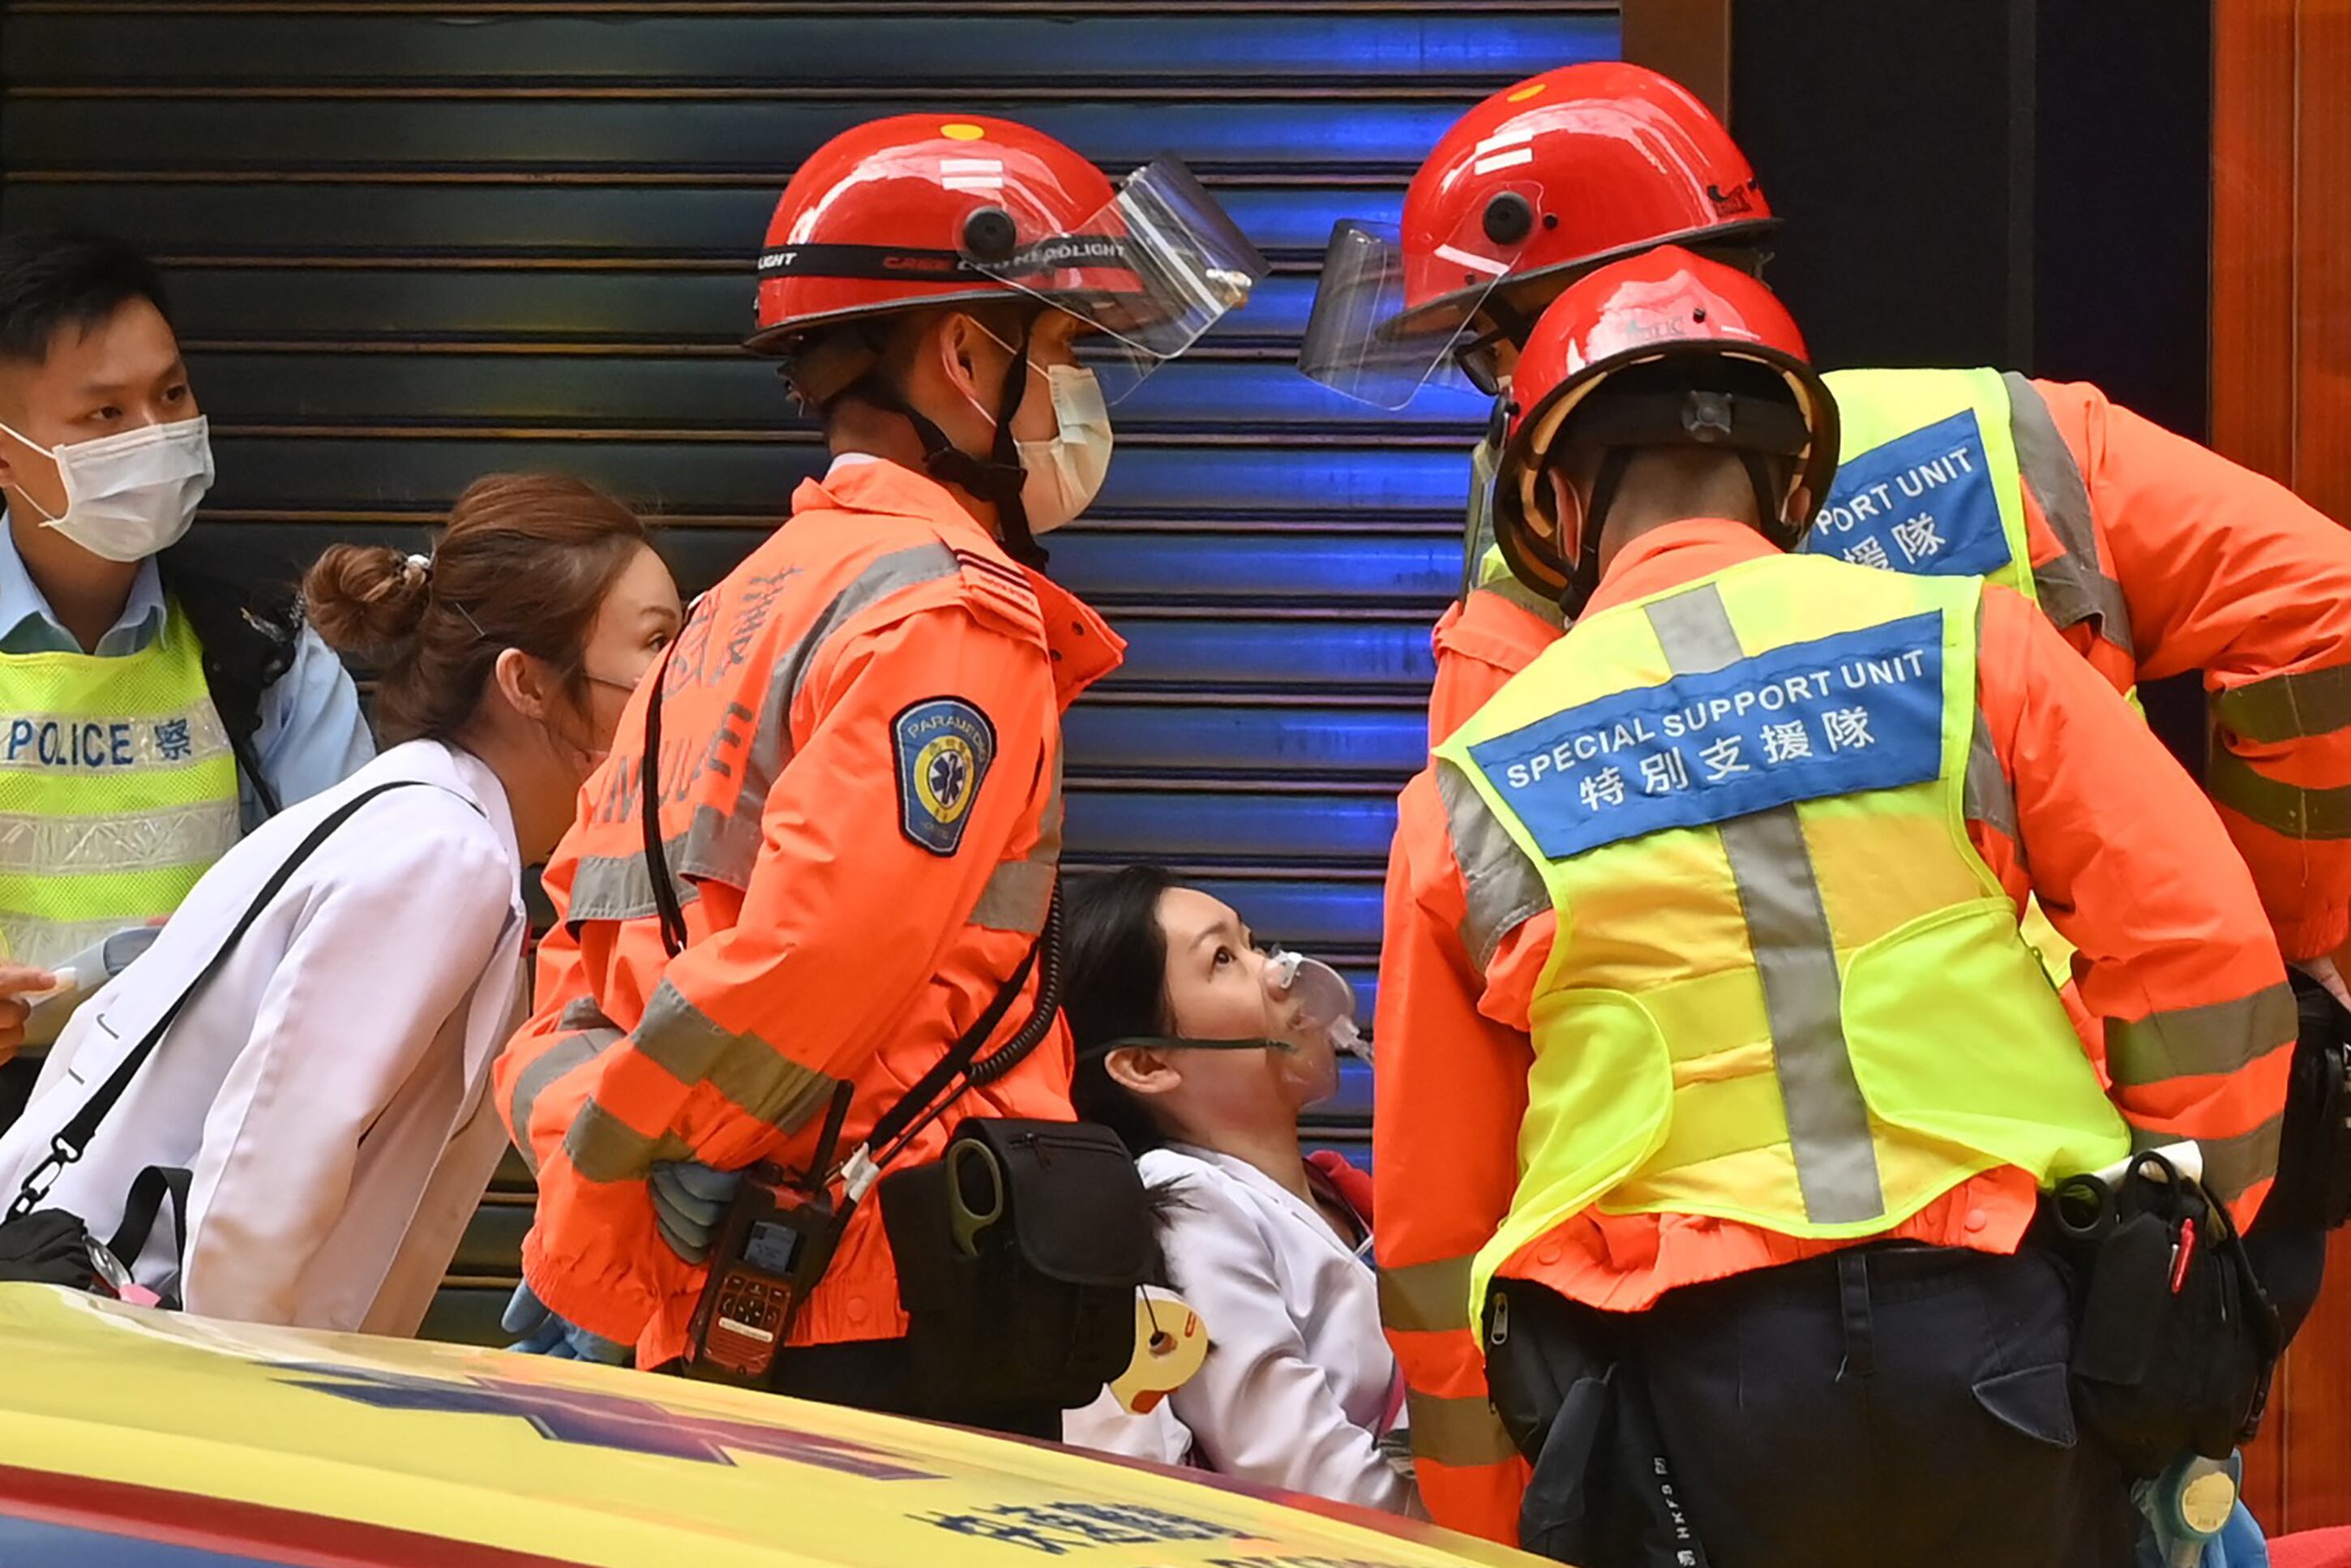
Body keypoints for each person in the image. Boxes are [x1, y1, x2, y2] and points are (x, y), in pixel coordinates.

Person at [1309, 62, 2342, 1534]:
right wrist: (2211, 1157)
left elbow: (1456, 1162)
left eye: (1493, 353)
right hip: (2042, 1251)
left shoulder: (1518, 645)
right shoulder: (2000, 449)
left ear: (1565, 359)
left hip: (1689, 1349)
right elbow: (2321, 627)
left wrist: (1490, 1507)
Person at [493, 115, 1264, 1432]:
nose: (1084, 393)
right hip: (887, 1299)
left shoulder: (728, 623)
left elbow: (570, 974)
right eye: (1068, 346)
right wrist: (672, 1141)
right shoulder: (950, 614)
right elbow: (826, 948)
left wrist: (623, 1158)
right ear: (967, 355)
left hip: (731, 1293)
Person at [0, 473, 679, 1331]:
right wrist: (259, 1412)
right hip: (159, 1367)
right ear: (528, 682)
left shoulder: (428, 820)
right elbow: (264, 1176)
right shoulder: (441, 854)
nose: (687, 680)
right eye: (658, 645)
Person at [0, 229, 372, 1124]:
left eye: (172, 394)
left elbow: (365, 904)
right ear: (8, 453)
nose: (159, 436)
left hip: (192, 1143)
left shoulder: (263, 648)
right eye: (106, 417)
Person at [1054, 865, 1411, 1514]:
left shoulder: (1340, 1197)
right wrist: (1488, 1525)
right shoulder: (1187, 1203)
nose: (1281, 970)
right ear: (1146, 1064)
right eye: (1223, 958)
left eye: (1254, 943)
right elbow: (1308, 1476)